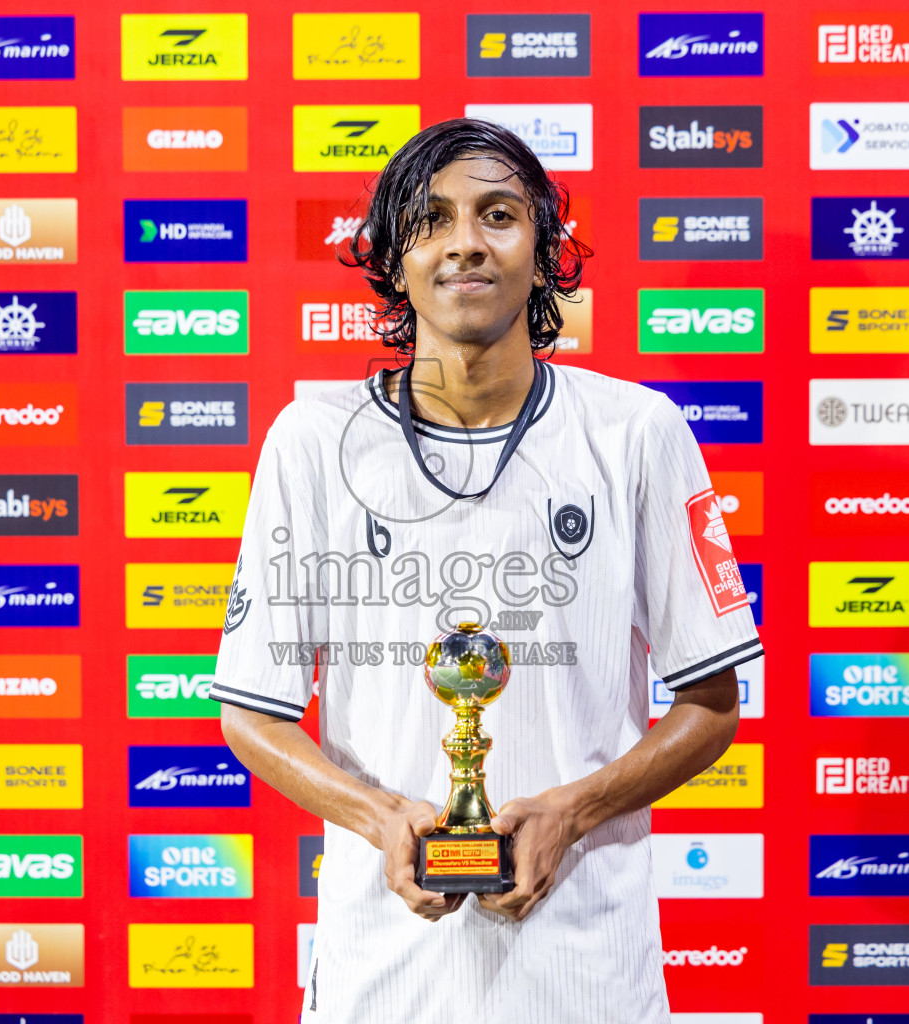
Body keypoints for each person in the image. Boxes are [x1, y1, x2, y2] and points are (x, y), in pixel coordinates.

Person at [213, 117, 762, 1023]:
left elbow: (710, 705)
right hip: (382, 972)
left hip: (587, 969)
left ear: (546, 251)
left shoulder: (639, 433)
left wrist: (573, 812)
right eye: (431, 220)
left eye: (497, 215)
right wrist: (383, 822)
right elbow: (251, 712)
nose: (465, 242)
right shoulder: (310, 443)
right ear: (391, 260)